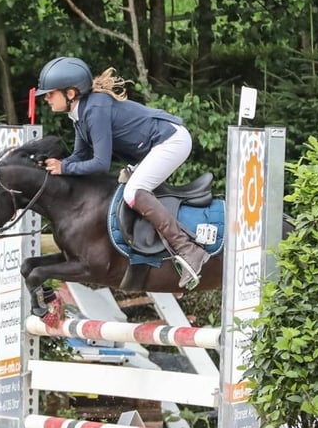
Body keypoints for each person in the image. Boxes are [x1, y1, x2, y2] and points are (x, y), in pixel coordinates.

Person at [34, 56, 209, 289]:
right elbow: (80, 156)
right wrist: (53, 166)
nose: (46, 98)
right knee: (127, 186)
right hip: (152, 147)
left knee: (133, 191)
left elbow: (99, 164)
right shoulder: (79, 114)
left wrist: (64, 167)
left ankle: (189, 250)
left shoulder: (94, 110)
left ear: (71, 93)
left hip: (171, 141)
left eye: (50, 93)